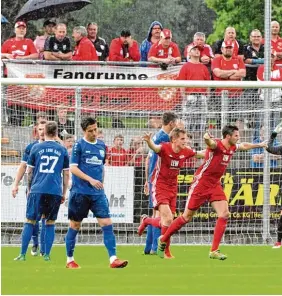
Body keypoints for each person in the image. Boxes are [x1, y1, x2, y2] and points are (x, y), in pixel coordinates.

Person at [156, 125, 267, 260]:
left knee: (224, 213)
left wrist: (260, 145)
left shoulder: (232, 147)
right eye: (236, 136)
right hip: (201, 184)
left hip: (215, 184)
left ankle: (214, 250)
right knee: (186, 217)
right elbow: (211, 144)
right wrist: (206, 138)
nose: (239, 138)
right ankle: (164, 239)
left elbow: (243, 145)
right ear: (228, 136)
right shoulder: (217, 146)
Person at [65, 117, 128, 268]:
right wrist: (91, 180)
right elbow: (73, 168)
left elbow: (101, 166)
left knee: (107, 223)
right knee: (74, 225)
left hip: (97, 193)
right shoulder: (78, 146)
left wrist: (101, 182)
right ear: (84, 131)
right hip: (80, 192)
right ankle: (70, 260)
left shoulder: (101, 145)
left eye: (95, 129)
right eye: (90, 131)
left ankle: (113, 259)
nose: (94, 133)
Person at [137, 128, 204, 258]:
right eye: (183, 139)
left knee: (166, 222)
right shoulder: (164, 148)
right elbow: (155, 148)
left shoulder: (186, 151)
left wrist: (214, 149)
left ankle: (146, 221)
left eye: (186, 138)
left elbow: (200, 154)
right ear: (174, 139)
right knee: (168, 218)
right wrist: (149, 141)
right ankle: (166, 251)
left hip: (173, 188)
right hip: (159, 186)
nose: (186, 141)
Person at [14, 122, 70, 262]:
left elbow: (29, 171)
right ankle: (46, 255)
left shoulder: (36, 148)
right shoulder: (62, 150)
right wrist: (63, 193)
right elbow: (67, 174)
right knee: (50, 222)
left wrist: (29, 188)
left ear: (44, 132)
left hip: (37, 189)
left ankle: (22, 254)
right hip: (55, 191)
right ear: (56, 133)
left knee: (30, 221)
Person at [143, 112, 178, 254]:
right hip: (159, 180)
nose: (176, 126)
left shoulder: (156, 135)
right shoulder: (165, 138)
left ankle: (149, 247)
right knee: (161, 215)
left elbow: (147, 159)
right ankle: (155, 247)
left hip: (153, 179)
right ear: (171, 123)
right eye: (176, 123)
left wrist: (147, 180)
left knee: (155, 213)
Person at [12, 121, 47, 256]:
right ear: (36, 131)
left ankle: (44, 250)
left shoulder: (56, 147)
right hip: (33, 188)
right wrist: (15, 184)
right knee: (33, 217)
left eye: (45, 129)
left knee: (46, 218)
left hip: (49, 189)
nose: (42, 131)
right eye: (40, 129)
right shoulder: (31, 147)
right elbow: (23, 166)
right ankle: (35, 243)